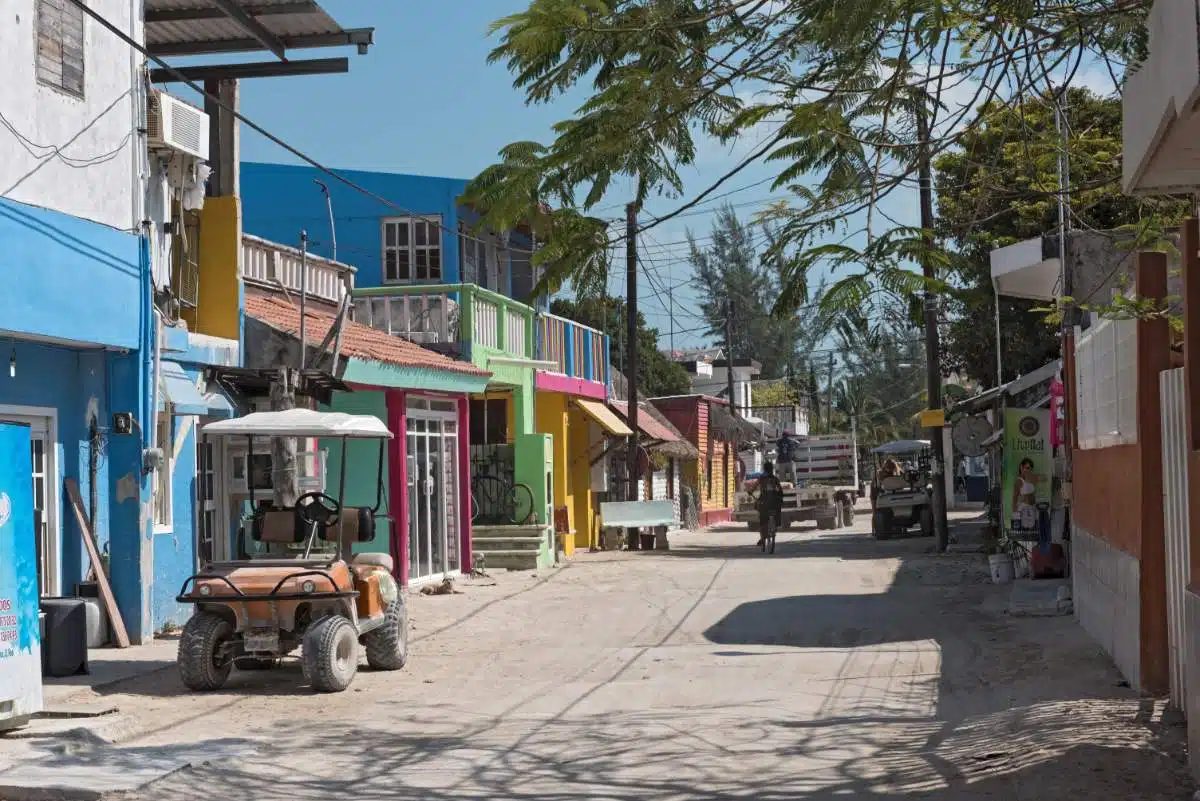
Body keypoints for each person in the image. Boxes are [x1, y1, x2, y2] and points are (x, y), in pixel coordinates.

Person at [754, 460, 785, 546]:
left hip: (764, 502)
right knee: (777, 512)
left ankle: (762, 537)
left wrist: (750, 492)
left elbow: (754, 487)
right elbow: (780, 490)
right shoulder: (775, 478)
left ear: (764, 469)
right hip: (774, 502)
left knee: (762, 520)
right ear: (772, 469)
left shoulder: (761, 478)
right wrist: (780, 497)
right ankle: (776, 526)